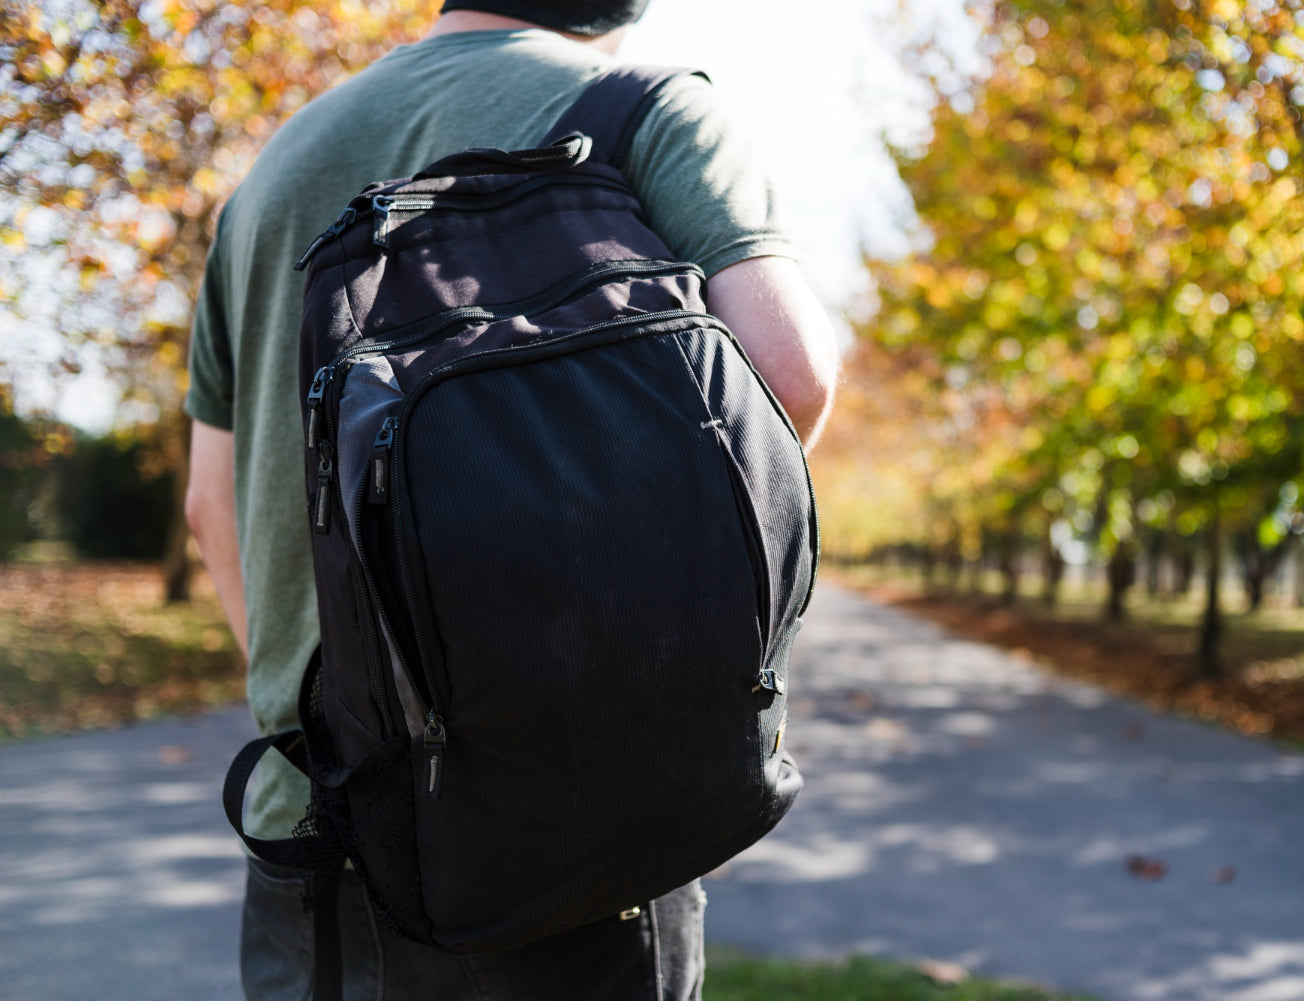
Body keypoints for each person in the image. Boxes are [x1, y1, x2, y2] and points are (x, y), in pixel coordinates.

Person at [183, 1, 839, 997]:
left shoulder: (271, 174)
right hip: (568, 828)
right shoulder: (646, 109)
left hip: (315, 826)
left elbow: (207, 503)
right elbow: (787, 375)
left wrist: (344, 696)